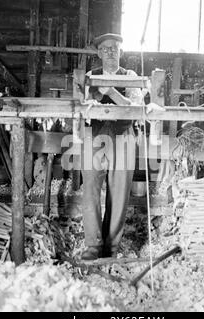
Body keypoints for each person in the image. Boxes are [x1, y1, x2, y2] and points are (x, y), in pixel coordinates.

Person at [81, 33, 143, 260]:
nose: (109, 52)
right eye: (105, 48)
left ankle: (111, 247)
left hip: (123, 134)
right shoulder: (90, 75)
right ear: (98, 53)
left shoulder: (131, 76)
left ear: (121, 52)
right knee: (90, 188)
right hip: (95, 134)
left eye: (114, 48)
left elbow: (135, 107)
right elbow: (83, 106)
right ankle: (93, 245)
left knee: (119, 190)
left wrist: (111, 92)